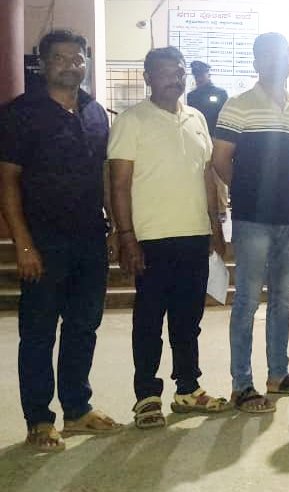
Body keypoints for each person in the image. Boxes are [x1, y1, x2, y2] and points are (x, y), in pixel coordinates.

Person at [0, 30, 124, 452]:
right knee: (38, 332)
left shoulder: (95, 112)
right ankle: (38, 418)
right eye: (60, 58)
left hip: (89, 238)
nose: (71, 65)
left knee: (83, 326)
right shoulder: (20, 113)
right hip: (43, 241)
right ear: (43, 63)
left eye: (78, 58)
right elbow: (7, 181)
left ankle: (77, 408)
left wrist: (112, 226)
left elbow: (103, 174)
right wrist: (23, 244)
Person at [108, 47, 231, 428]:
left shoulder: (196, 118)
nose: (174, 79)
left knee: (187, 320)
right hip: (151, 238)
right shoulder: (131, 121)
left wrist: (215, 227)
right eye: (164, 73)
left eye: (179, 72)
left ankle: (188, 389)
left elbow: (207, 176)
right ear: (148, 78)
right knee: (149, 320)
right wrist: (126, 236)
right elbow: (119, 184)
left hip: (194, 234)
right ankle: (146, 396)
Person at [211, 32, 289, 413]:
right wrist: (247, 193)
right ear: (256, 62)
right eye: (268, 57)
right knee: (246, 301)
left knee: (283, 301)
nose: (277, 63)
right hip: (252, 221)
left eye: (282, 56)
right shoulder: (237, 106)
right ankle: (242, 385)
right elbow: (220, 160)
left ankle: (278, 374)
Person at [187, 61, 230, 221]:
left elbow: (225, 117)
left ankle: (221, 209)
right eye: (196, 75)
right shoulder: (192, 96)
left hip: (216, 138)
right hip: (197, 137)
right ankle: (205, 208)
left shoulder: (220, 93)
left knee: (218, 174)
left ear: (208, 74)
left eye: (201, 74)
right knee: (200, 173)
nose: (199, 78)